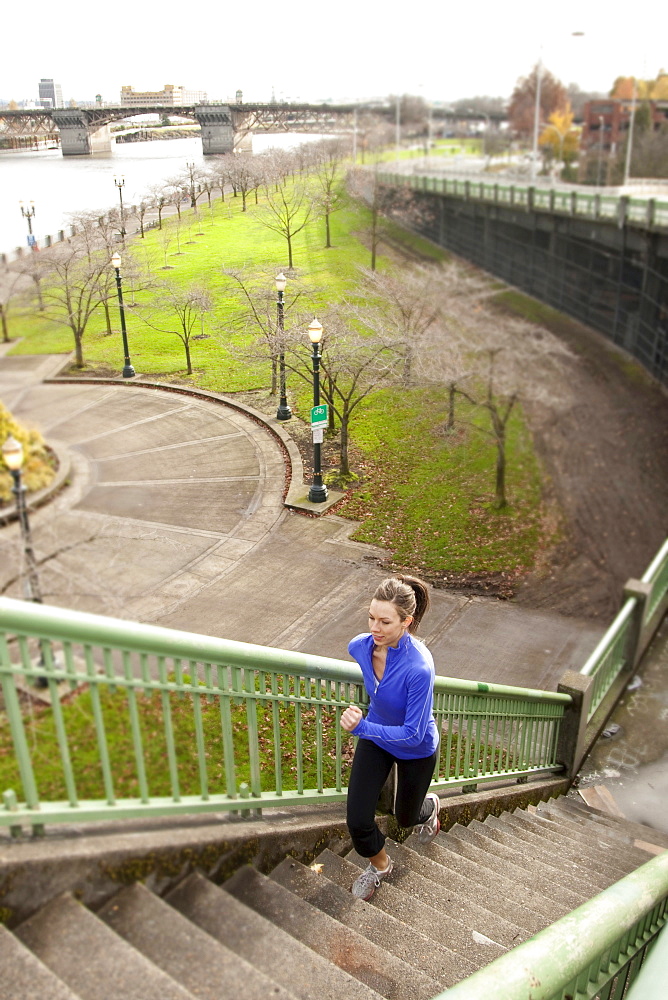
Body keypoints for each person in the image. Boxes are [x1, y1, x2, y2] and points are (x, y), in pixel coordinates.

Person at [340, 574, 441, 901]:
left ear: (406, 622)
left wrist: (361, 727)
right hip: (376, 739)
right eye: (371, 617)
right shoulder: (360, 646)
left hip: (416, 749)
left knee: (405, 818)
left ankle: (430, 807)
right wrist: (367, 726)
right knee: (357, 818)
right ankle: (380, 867)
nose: (375, 628)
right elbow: (364, 660)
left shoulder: (419, 668)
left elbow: (412, 734)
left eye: (385, 621)